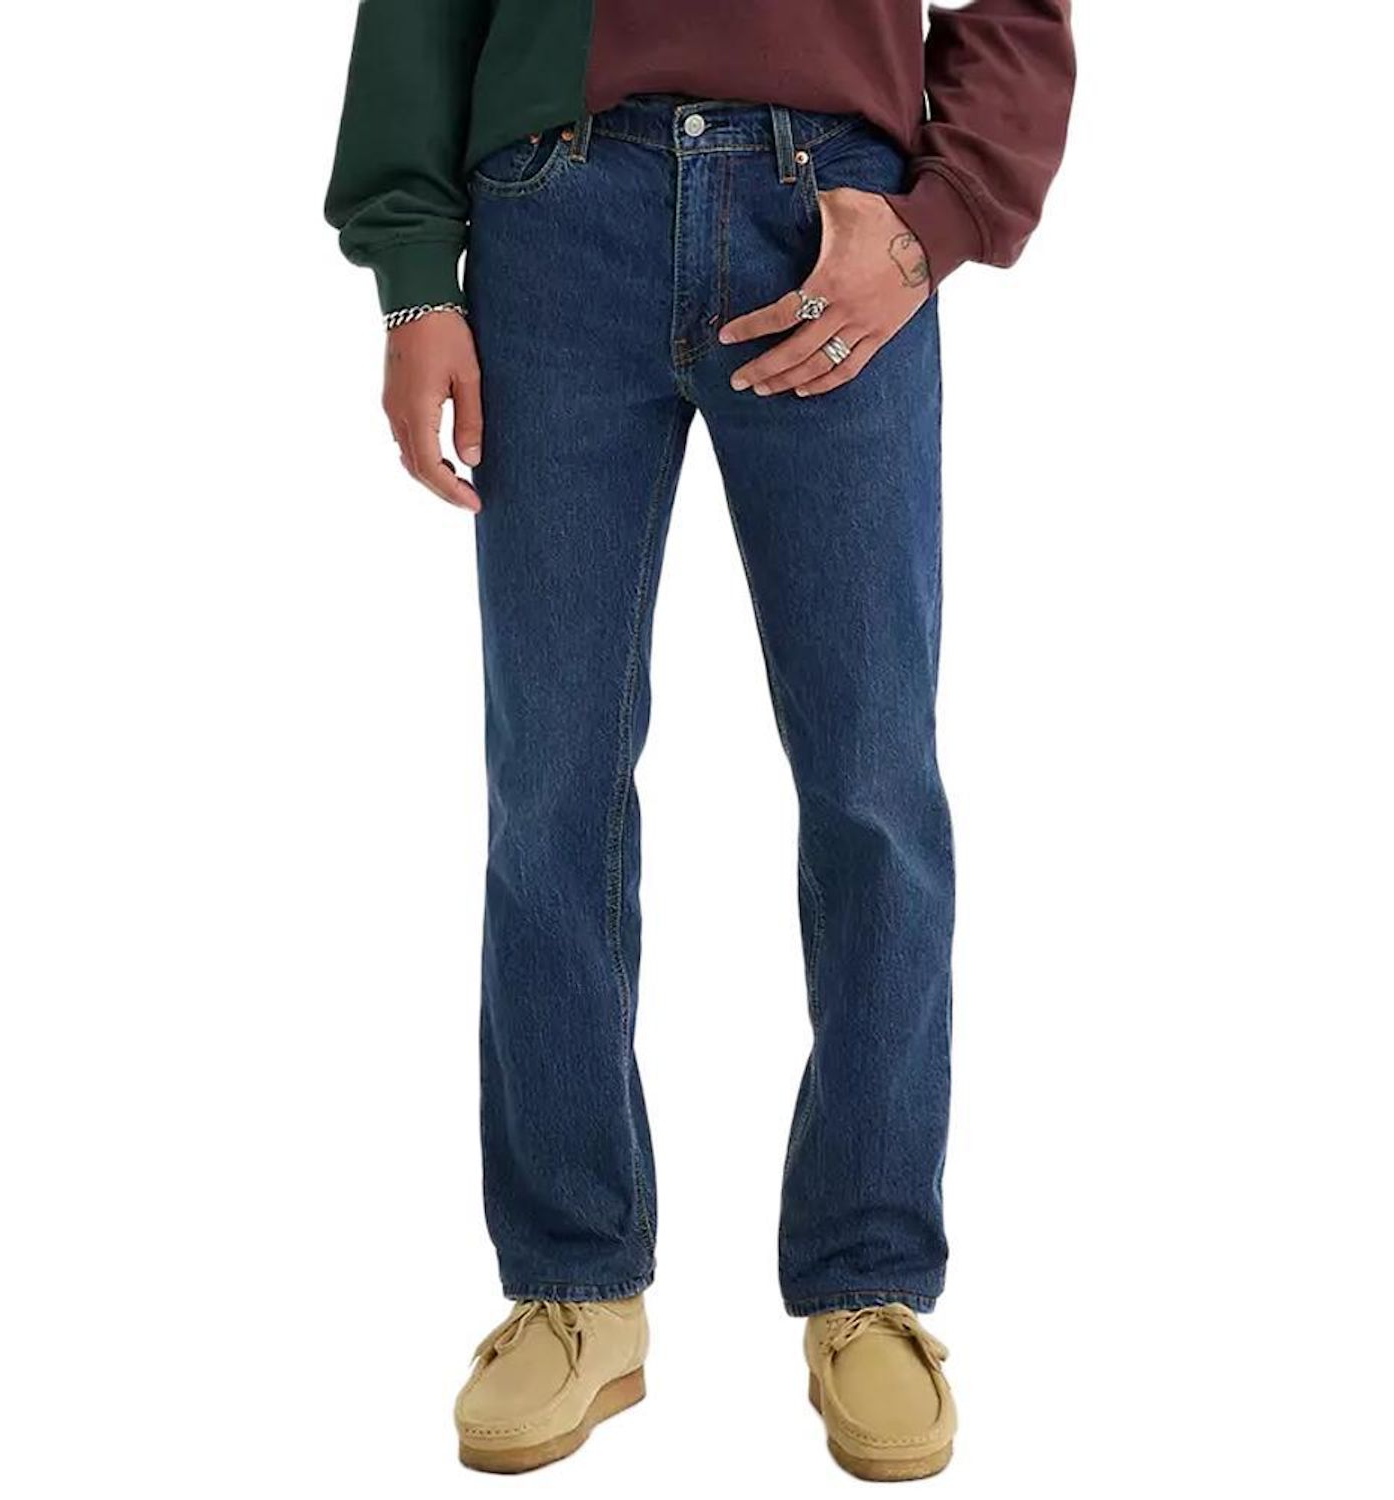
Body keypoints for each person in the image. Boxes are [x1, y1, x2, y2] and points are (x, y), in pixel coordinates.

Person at [326, 0, 1074, 1479]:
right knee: (551, 785)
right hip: (554, 218)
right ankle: (574, 1283)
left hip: (832, 223)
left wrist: (934, 226)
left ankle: (868, 1282)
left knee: (872, 785)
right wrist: (415, 282)